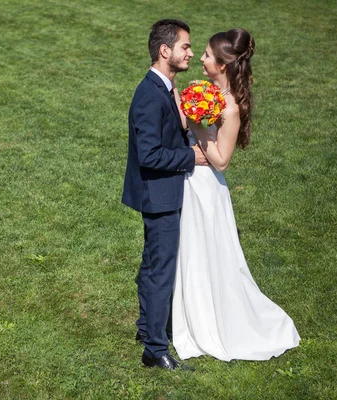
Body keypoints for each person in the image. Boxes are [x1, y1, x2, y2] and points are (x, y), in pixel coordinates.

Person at [170, 28, 301, 361]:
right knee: (192, 251)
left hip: (206, 188)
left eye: (208, 56)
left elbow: (222, 161)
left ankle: (214, 322)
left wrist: (195, 126)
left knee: (207, 255)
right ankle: (189, 314)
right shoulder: (208, 92)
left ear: (224, 64)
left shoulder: (228, 107)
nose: (201, 58)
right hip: (190, 181)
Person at [122, 19, 207, 370]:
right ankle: (155, 350)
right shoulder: (149, 95)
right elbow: (150, 155)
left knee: (153, 265)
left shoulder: (164, 88)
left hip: (162, 193)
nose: (189, 52)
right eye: (185, 47)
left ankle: (147, 329)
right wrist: (192, 156)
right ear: (165, 50)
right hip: (159, 197)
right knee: (161, 270)